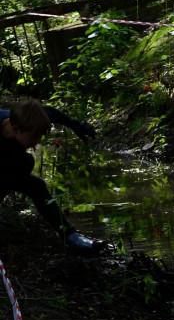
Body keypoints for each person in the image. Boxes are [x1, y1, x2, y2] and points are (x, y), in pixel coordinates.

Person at [0, 99, 101, 255]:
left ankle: (71, 237)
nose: (38, 142)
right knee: (26, 161)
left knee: (36, 183)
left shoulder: (27, 118)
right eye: (34, 136)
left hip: (9, 159)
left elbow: (49, 111)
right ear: (15, 129)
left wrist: (76, 125)